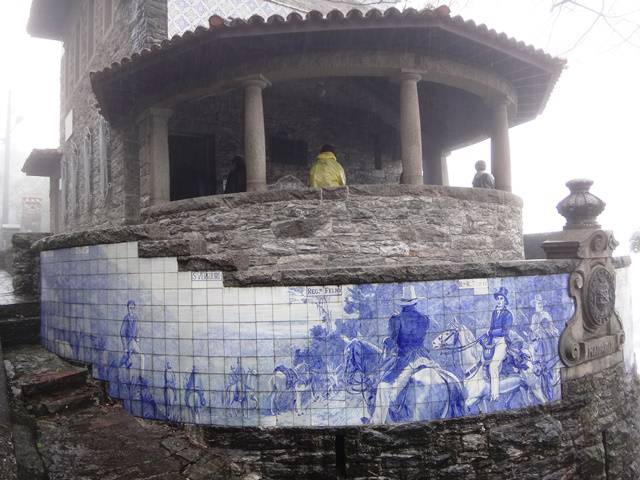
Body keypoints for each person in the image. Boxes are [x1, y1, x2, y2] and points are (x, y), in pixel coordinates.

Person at [371, 285, 433, 424]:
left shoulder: (396, 319)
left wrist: (386, 340)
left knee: (383, 386)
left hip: (405, 359)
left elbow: (392, 342)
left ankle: (377, 422)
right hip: (423, 356)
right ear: (415, 303)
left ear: (402, 304)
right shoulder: (424, 319)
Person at [482, 287, 513, 401]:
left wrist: (491, 332)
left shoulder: (508, 314)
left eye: (501, 299)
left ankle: (495, 395)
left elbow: (505, 331)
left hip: (502, 343)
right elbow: (491, 327)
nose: (499, 301)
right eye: (498, 299)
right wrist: (487, 336)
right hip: (493, 342)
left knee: (493, 366)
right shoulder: (494, 313)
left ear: (505, 301)